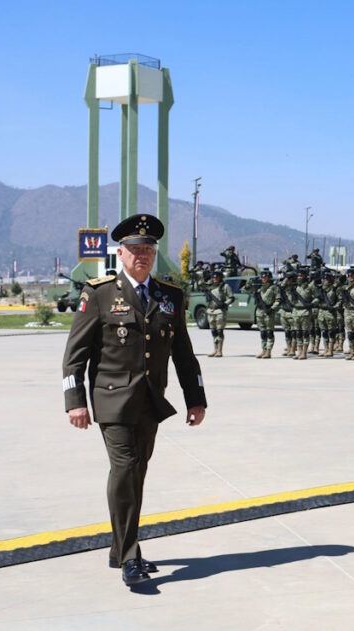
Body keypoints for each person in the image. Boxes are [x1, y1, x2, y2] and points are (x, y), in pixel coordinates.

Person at [62, 214, 207, 586]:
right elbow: (74, 356)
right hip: (111, 401)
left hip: (150, 401)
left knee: (136, 474)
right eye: (134, 249)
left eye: (148, 249)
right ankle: (129, 556)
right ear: (120, 254)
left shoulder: (169, 296)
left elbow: (185, 356)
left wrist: (197, 399)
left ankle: (119, 549)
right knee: (126, 470)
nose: (142, 255)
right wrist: (74, 401)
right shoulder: (99, 294)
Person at [204, 269, 234, 357]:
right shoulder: (210, 286)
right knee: (213, 331)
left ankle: (219, 350)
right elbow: (201, 285)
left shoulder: (225, 286)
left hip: (220, 311)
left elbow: (231, 298)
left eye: (216, 277)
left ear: (220, 277)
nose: (215, 278)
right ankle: (215, 349)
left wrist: (225, 304)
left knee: (219, 331)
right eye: (213, 277)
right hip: (210, 311)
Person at [253, 269, 281, 358]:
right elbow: (244, 290)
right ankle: (263, 350)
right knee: (262, 332)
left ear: (269, 277)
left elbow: (278, 300)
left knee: (269, 332)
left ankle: (268, 351)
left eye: (265, 277)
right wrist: (249, 283)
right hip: (259, 312)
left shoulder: (274, 287)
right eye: (262, 277)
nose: (263, 278)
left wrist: (272, 308)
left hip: (268, 311)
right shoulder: (258, 287)